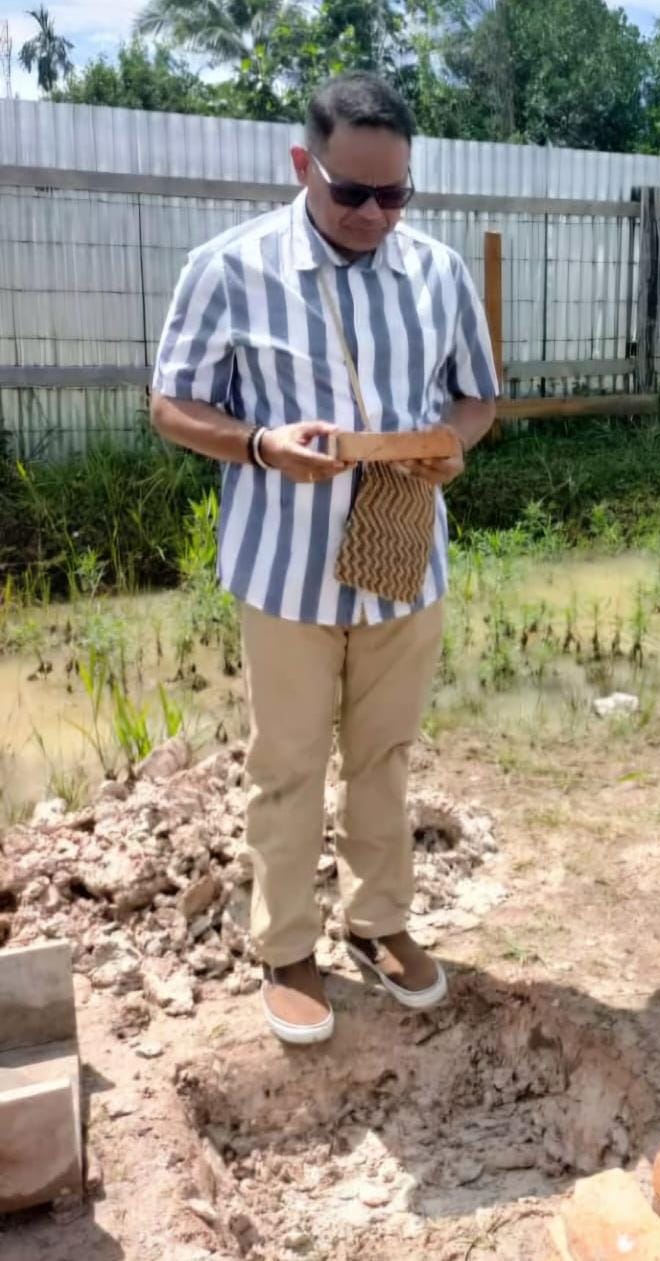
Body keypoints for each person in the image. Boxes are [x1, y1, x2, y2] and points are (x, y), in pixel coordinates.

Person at [149, 73, 498, 1044]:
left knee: (382, 755)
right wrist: (259, 444)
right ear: (304, 165)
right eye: (351, 193)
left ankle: (379, 921)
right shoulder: (230, 268)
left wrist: (451, 441)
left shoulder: (434, 272)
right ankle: (287, 944)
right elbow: (171, 404)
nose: (373, 215)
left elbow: (477, 394)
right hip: (286, 562)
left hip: (399, 550)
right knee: (289, 761)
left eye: (394, 195)